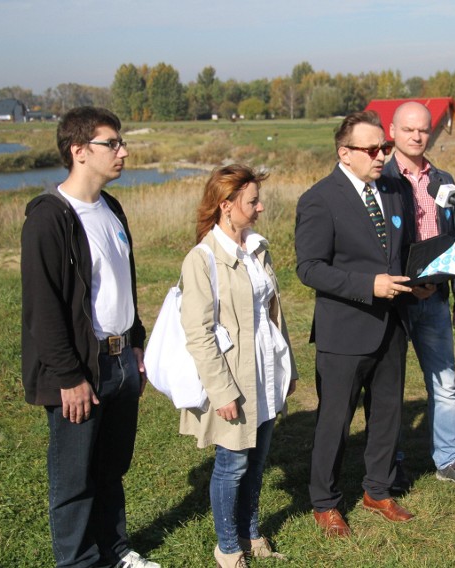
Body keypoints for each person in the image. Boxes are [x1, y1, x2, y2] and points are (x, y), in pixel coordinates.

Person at [21, 107, 158, 568]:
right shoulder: (49, 217)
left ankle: (115, 550)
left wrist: (137, 341)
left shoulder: (111, 208)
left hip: (121, 360)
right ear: (79, 151)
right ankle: (78, 561)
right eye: (111, 143)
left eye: (120, 143)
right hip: (82, 368)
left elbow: (125, 283)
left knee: (111, 468)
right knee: (74, 478)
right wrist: (69, 376)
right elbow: (44, 309)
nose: (123, 151)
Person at [296, 110, 414, 537]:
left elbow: (403, 251)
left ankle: (377, 490)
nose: (381, 155)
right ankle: (324, 502)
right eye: (372, 149)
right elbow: (309, 268)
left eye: (384, 147)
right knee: (335, 420)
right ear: (344, 153)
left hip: (392, 325)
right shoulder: (319, 198)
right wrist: (370, 285)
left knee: (387, 414)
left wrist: (418, 280)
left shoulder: (395, 192)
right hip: (345, 330)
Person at [179, 165, 297, 568]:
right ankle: (227, 547)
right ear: (226, 206)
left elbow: (272, 317)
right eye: (252, 201)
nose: (260, 207)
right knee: (232, 465)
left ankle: (250, 533)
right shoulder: (202, 259)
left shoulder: (257, 248)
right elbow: (198, 332)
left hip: (265, 372)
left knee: (257, 460)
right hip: (233, 378)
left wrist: (288, 369)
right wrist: (222, 390)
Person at [381, 101, 455, 491]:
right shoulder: (383, 178)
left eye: (423, 130)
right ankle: (392, 461)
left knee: (444, 382)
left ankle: (449, 459)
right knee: (390, 386)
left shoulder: (443, 179)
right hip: (394, 297)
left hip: (435, 296)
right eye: (409, 130)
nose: (417, 136)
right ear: (393, 131)